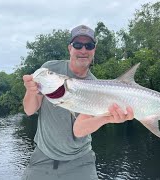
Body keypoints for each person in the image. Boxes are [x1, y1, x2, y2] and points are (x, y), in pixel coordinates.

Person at [21, 24, 134, 180]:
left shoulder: (95, 86)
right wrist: (31, 91)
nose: (83, 50)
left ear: (94, 50)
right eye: (78, 45)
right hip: (42, 158)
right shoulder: (49, 69)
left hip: (81, 161)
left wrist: (108, 118)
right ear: (70, 48)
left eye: (89, 45)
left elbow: (79, 130)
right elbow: (29, 109)